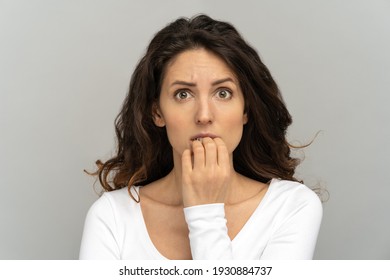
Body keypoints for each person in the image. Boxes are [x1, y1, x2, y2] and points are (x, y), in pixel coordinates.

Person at [79, 14, 322, 260]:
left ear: (246, 110)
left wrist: (206, 212)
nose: (204, 116)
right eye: (183, 94)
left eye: (223, 93)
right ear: (157, 112)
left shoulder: (291, 207)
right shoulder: (112, 216)